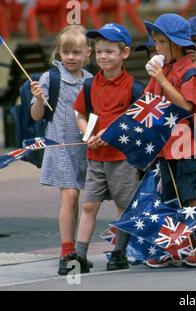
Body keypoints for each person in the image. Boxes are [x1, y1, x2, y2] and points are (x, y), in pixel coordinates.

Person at [143, 13, 196, 268]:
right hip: (164, 146)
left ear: (176, 43)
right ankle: (176, 245)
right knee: (171, 198)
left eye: (161, 42)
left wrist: (163, 80)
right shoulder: (162, 70)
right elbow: (148, 102)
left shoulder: (189, 72)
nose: (157, 48)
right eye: (155, 42)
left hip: (184, 145)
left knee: (192, 196)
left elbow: (187, 106)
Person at [70, 23, 141, 274]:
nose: (102, 56)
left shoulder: (133, 87)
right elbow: (81, 114)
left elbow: (137, 122)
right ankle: (79, 255)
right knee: (89, 204)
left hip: (122, 157)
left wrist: (110, 134)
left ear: (124, 53)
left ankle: (119, 252)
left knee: (124, 204)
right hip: (95, 155)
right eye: (99, 51)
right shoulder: (90, 85)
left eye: (109, 51)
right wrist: (88, 134)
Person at [30, 25, 93, 276]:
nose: (71, 57)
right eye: (66, 52)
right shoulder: (50, 78)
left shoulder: (90, 80)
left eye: (76, 52)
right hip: (59, 145)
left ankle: (77, 251)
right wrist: (36, 98)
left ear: (87, 53)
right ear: (59, 52)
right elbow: (36, 116)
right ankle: (67, 253)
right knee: (70, 196)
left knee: (77, 196)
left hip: (82, 146)